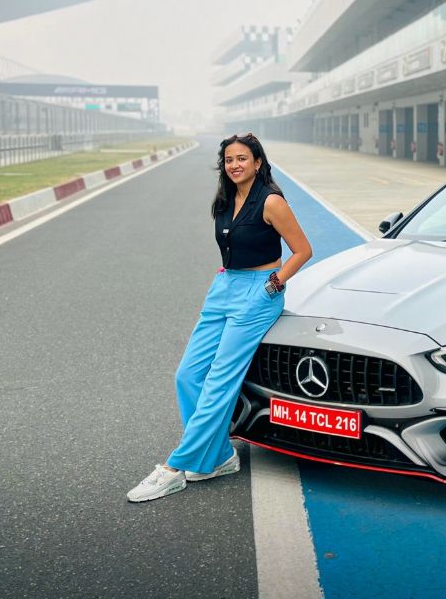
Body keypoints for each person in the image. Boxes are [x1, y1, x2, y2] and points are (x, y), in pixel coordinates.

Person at [128, 133, 312, 502]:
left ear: (258, 162)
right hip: (224, 289)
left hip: (259, 292)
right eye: (229, 160)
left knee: (218, 382)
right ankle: (221, 456)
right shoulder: (224, 201)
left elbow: (303, 250)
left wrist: (272, 286)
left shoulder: (271, 201)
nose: (235, 165)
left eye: (242, 158)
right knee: (189, 375)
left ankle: (175, 467)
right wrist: (226, 279)